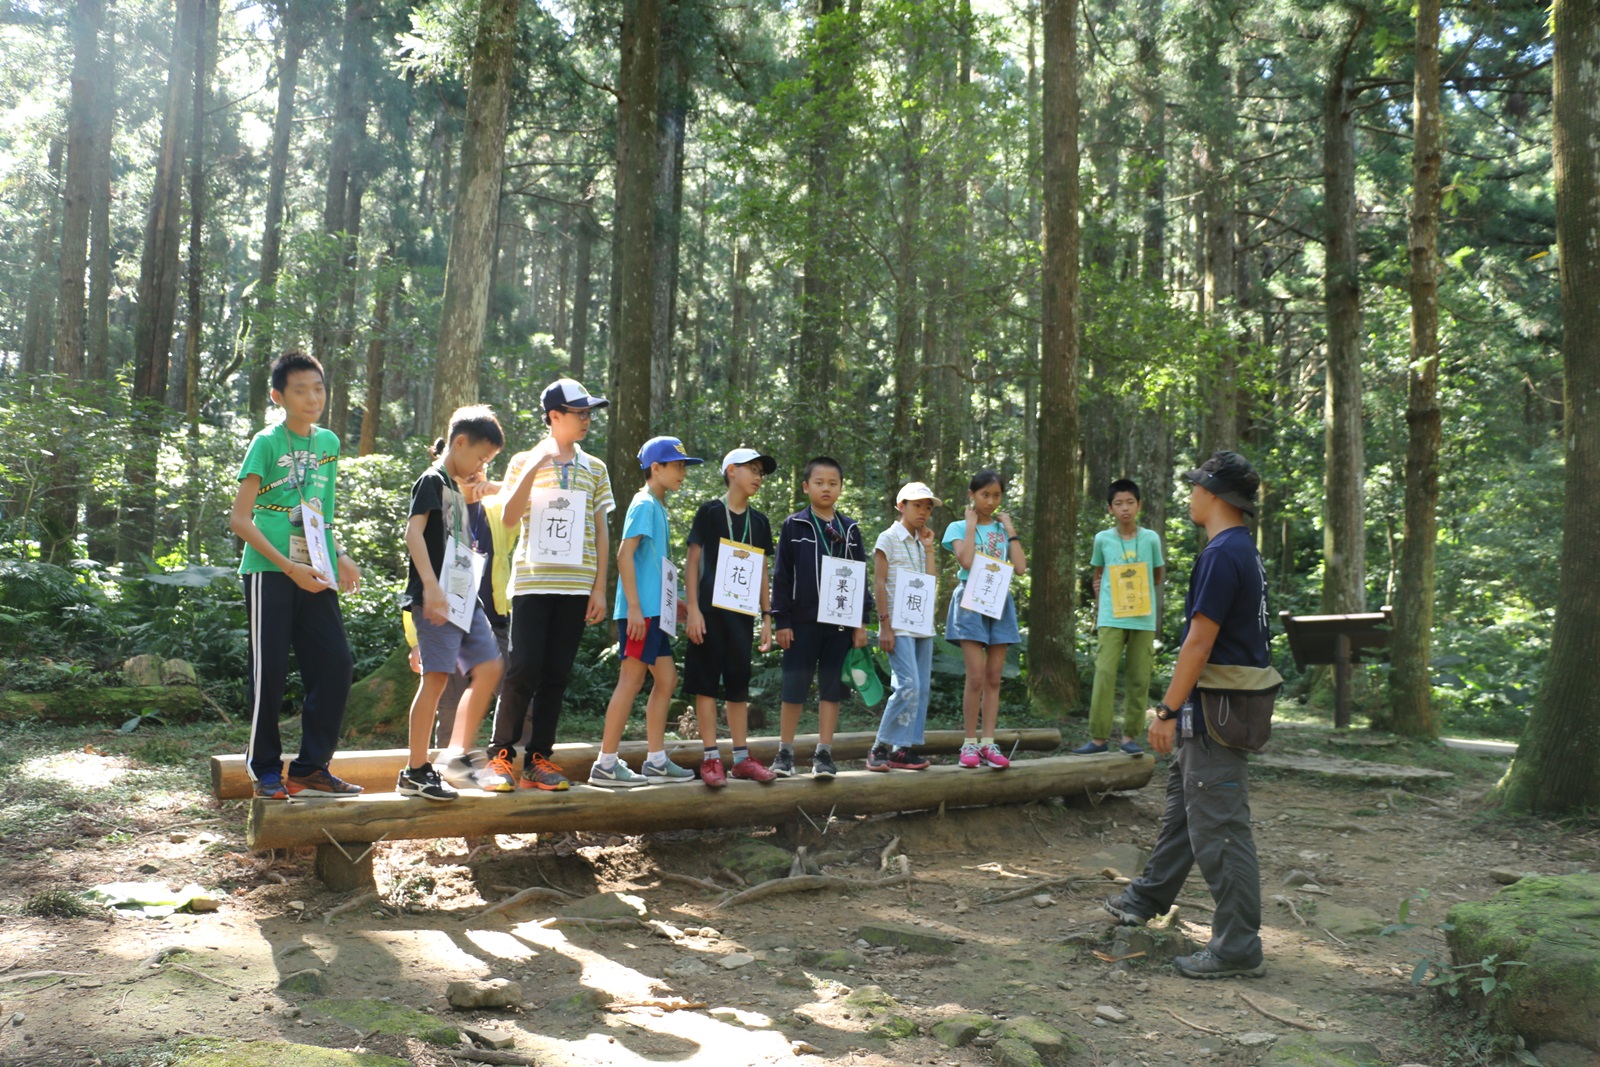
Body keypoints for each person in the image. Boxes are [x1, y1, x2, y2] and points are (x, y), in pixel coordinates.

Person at [1103, 451, 1275, 979]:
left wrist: (1166, 709)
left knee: (1220, 827)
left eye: (1198, 486)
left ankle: (1238, 945)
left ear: (1216, 497)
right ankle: (1146, 896)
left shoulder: (1224, 554)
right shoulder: (1238, 549)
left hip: (1216, 712)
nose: (1191, 494)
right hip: (1218, 710)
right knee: (1185, 811)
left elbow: (1199, 643)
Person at [229, 349, 362, 800]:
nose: (312, 398)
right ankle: (264, 768)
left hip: (316, 569)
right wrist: (289, 567)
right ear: (278, 396)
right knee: (269, 673)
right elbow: (240, 520)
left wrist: (338, 553)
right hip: (270, 572)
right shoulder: (266, 442)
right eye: (301, 390)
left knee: (336, 663)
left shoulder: (328, 444)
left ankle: (310, 768)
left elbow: (320, 510)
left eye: (319, 388)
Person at [479, 379, 615, 792]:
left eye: (589, 413)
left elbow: (601, 530)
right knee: (522, 668)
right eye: (580, 413)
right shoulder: (523, 460)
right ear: (554, 416)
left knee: (556, 674)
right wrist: (537, 462)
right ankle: (500, 757)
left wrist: (599, 588)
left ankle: (540, 759)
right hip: (533, 583)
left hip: (576, 587)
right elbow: (507, 518)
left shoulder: (596, 468)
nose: (587, 419)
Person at [398, 407, 507, 801]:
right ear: (459, 443)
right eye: (480, 458)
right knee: (437, 679)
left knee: (492, 665)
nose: (481, 467)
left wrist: (485, 483)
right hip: (437, 596)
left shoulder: (456, 488)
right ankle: (415, 770)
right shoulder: (431, 481)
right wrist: (431, 587)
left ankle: (454, 754)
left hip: (465, 597)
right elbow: (414, 534)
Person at [589, 436, 703, 788]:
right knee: (632, 679)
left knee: (667, 679)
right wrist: (635, 608)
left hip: (656, 611)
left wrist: (673, 602)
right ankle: (605, 764)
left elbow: (652, 564)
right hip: (641, 614)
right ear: (656, 468)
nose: (683, 472)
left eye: (685, 466)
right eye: (677, 465)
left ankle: (655, 760)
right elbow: (625, 555)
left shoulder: (657, 506)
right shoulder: (643, 504)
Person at [683, 448, 781, 787]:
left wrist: (767, 617)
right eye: (751, 469)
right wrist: (692, 609)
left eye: (761, 472)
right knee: (706, 684)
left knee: (738, 685)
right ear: (730, 471)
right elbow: (693, 561)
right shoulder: (710, 512)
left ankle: (741, 758)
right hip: (708, 612)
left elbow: (763, 571)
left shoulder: (759, 522)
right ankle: (711, 758)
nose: (758, 476)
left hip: (742, 614)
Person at [771, 456, 873, 780]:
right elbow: (782, 576)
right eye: (819, 482)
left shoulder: (851, 530)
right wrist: (781, 621)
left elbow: (860, 578)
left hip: (839, 624)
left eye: (832, 483)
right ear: (806, 487)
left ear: (841, 487)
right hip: (800, 623)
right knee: (794, 687)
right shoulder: (794, 525)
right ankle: (784, 753)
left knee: (831, 688)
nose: (826, 488)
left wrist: (861, 623)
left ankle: (823, 753)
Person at [942, 470, 1026, 770]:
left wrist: (1011, 529)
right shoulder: (956, 526)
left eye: (996, 496)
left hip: (1000, 600)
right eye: (984, 495)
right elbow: (965, 561)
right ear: (972, 495)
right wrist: (970, 526)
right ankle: (969, 743)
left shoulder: (1004, 530)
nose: (990, 501)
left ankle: (989, 743)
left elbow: (1020, 568)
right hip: (970, 600)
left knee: (993, 678)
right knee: (975, 676)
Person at [1076, 478, 1165, 756]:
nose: (1124, 508)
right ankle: (1099, 738)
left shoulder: (1150, 538)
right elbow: (1098, 574)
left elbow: (1158, 575)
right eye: (1118, 503)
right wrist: (1101, 591)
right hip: (1111, 617)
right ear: (1110, 509)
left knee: (1139, 677)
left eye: (1129, 502)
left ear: (1139, 505)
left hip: (1143, 618)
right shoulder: (1102, 539)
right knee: (1104, 674)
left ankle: (1129, 737)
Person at [866, 482, 940, 772]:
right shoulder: (888, 538)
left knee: (919, 688)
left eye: (927, 506)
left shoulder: (921, 542)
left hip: (922, 624)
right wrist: (884, 626)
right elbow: (879, 582)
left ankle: (902, 749)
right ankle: (878, 748)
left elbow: (930, 583)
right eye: (917, 505)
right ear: (901, 506)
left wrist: (930, 549)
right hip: (897, 623)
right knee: (908, 685)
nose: (923, 511)